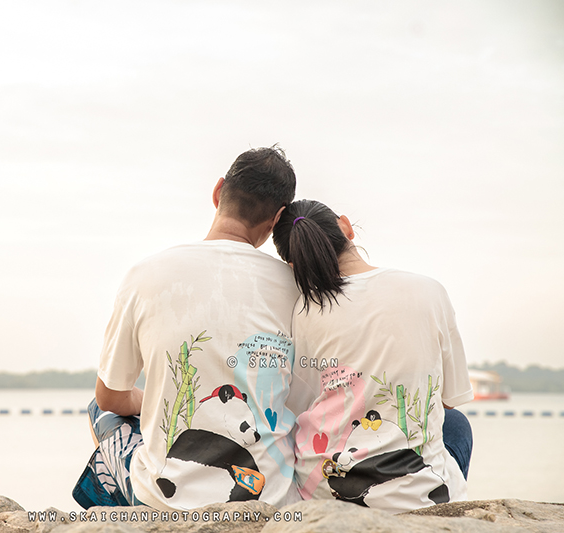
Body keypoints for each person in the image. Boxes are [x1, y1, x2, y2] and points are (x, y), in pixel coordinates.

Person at [72, 146, 318, 511]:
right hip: (269, 499)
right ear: (278, 218)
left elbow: (110, 398)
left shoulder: (145, 275)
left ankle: (125, 517)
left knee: (100, 409)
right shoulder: (297, 289)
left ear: (218, 191)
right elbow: (301, 402)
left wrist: (150, 401)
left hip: (165, 502)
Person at [271, 199, 473, 514]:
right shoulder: (429, 291)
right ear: (346, 226)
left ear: (295, 264)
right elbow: (449, 400)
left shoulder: (304, 311)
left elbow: (302, 405)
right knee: (456, 425)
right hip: (416, 498)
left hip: (324, 492)